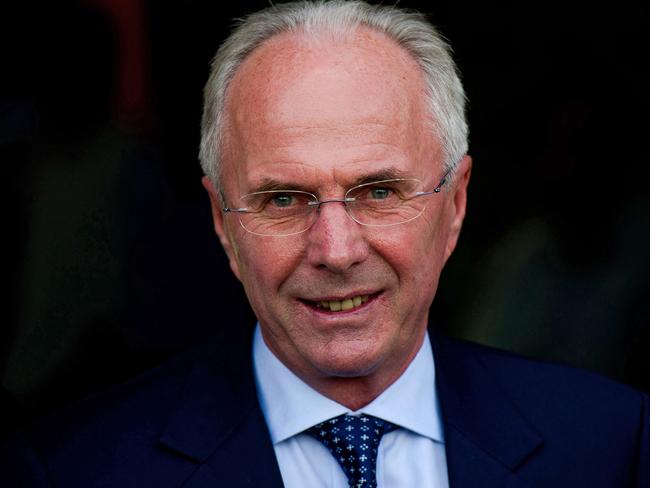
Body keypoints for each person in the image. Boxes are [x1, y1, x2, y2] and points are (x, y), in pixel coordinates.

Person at [2, 1, 648, 487]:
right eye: (283, 199)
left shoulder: (609, 440)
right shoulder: (73, 470)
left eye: (379, 191)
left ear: (454, 205)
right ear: (223, 225)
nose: (336, 251)